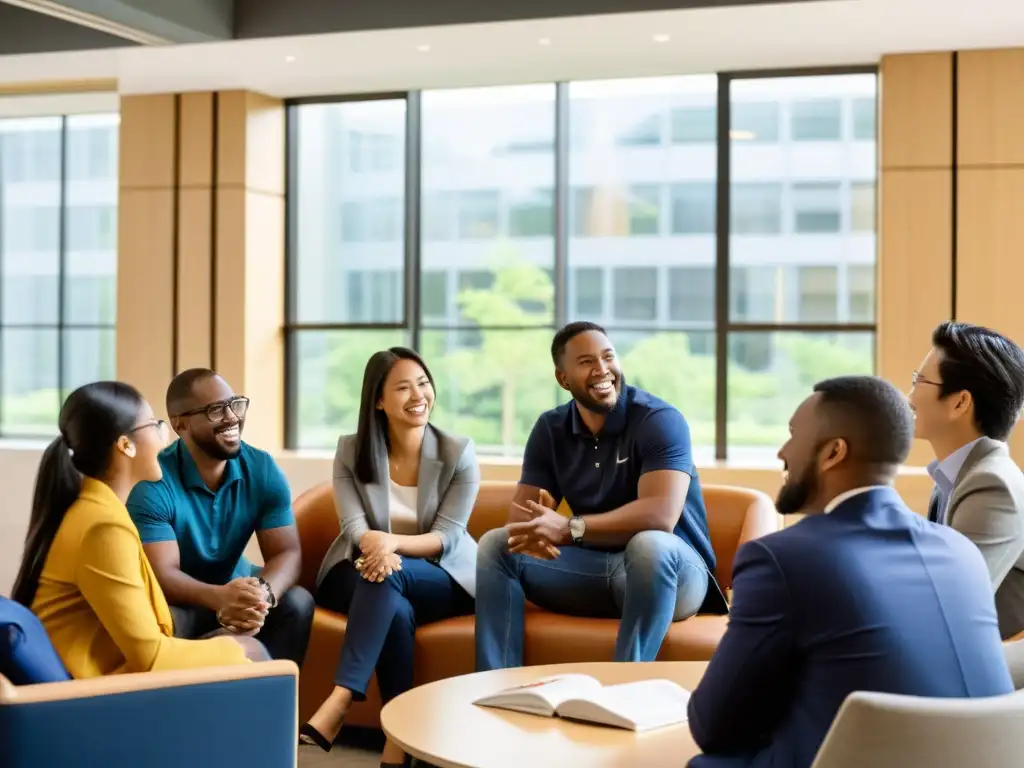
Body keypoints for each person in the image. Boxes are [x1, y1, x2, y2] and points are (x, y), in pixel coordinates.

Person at [687, 376, 1014, 768]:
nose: (782, 451)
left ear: (833, 453)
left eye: (793, 434)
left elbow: (711, 725)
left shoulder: (784, 558)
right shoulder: (960, 551)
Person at [475, 322, 726, 671]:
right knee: (497, 545)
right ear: (563, 379)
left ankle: (622, 687)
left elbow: (660, 517)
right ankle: (495, 687)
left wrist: (569, 528)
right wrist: (535, 524)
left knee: (649, 544)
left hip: (673, 577)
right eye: (586, 361)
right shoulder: (551, 429)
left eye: (608, 357)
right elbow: (521, 528)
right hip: (591, 572)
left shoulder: (659, 420)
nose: (602, 369)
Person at [300, 348, 478, 766]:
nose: (418, 395)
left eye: (423, 382)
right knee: (391, 605)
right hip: (363, 568)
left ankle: (342, 697)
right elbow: (353, 527)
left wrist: (391, 545)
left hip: (441, 575)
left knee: (387, 577)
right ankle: (397, 739)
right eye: (402, 387)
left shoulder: (457, 451)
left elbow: (447, 538)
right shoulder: (351, 449)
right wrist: (378, 547)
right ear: (378, 400)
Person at [12, 382, 263, 678]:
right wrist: (239, 651)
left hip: (109, 674)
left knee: (244, 646)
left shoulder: (94, 507)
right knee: (253, 655)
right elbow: (151, 657)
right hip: (99, 695)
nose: (164, 437)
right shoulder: (102, 527)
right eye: (155, 425)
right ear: (125, 445)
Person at [125, 369, 313, 667]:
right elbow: (164, 574)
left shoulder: (261, 468)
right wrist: (220, 599)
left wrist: (261, 600)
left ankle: (274, 709)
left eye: (235, 404)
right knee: (167, 621)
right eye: (215, 410)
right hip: (179, 600)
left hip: (237, 587)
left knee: (297, 603)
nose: (232, 417)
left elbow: (286, 552)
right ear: (180, 424)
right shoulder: (153, 483)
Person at [909, 321, 1024, 639]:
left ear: (960, 402)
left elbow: (952, 605)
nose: (909, 395)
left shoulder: (992, 484)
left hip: (994, 672)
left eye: (920, 381)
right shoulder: (957, 475)